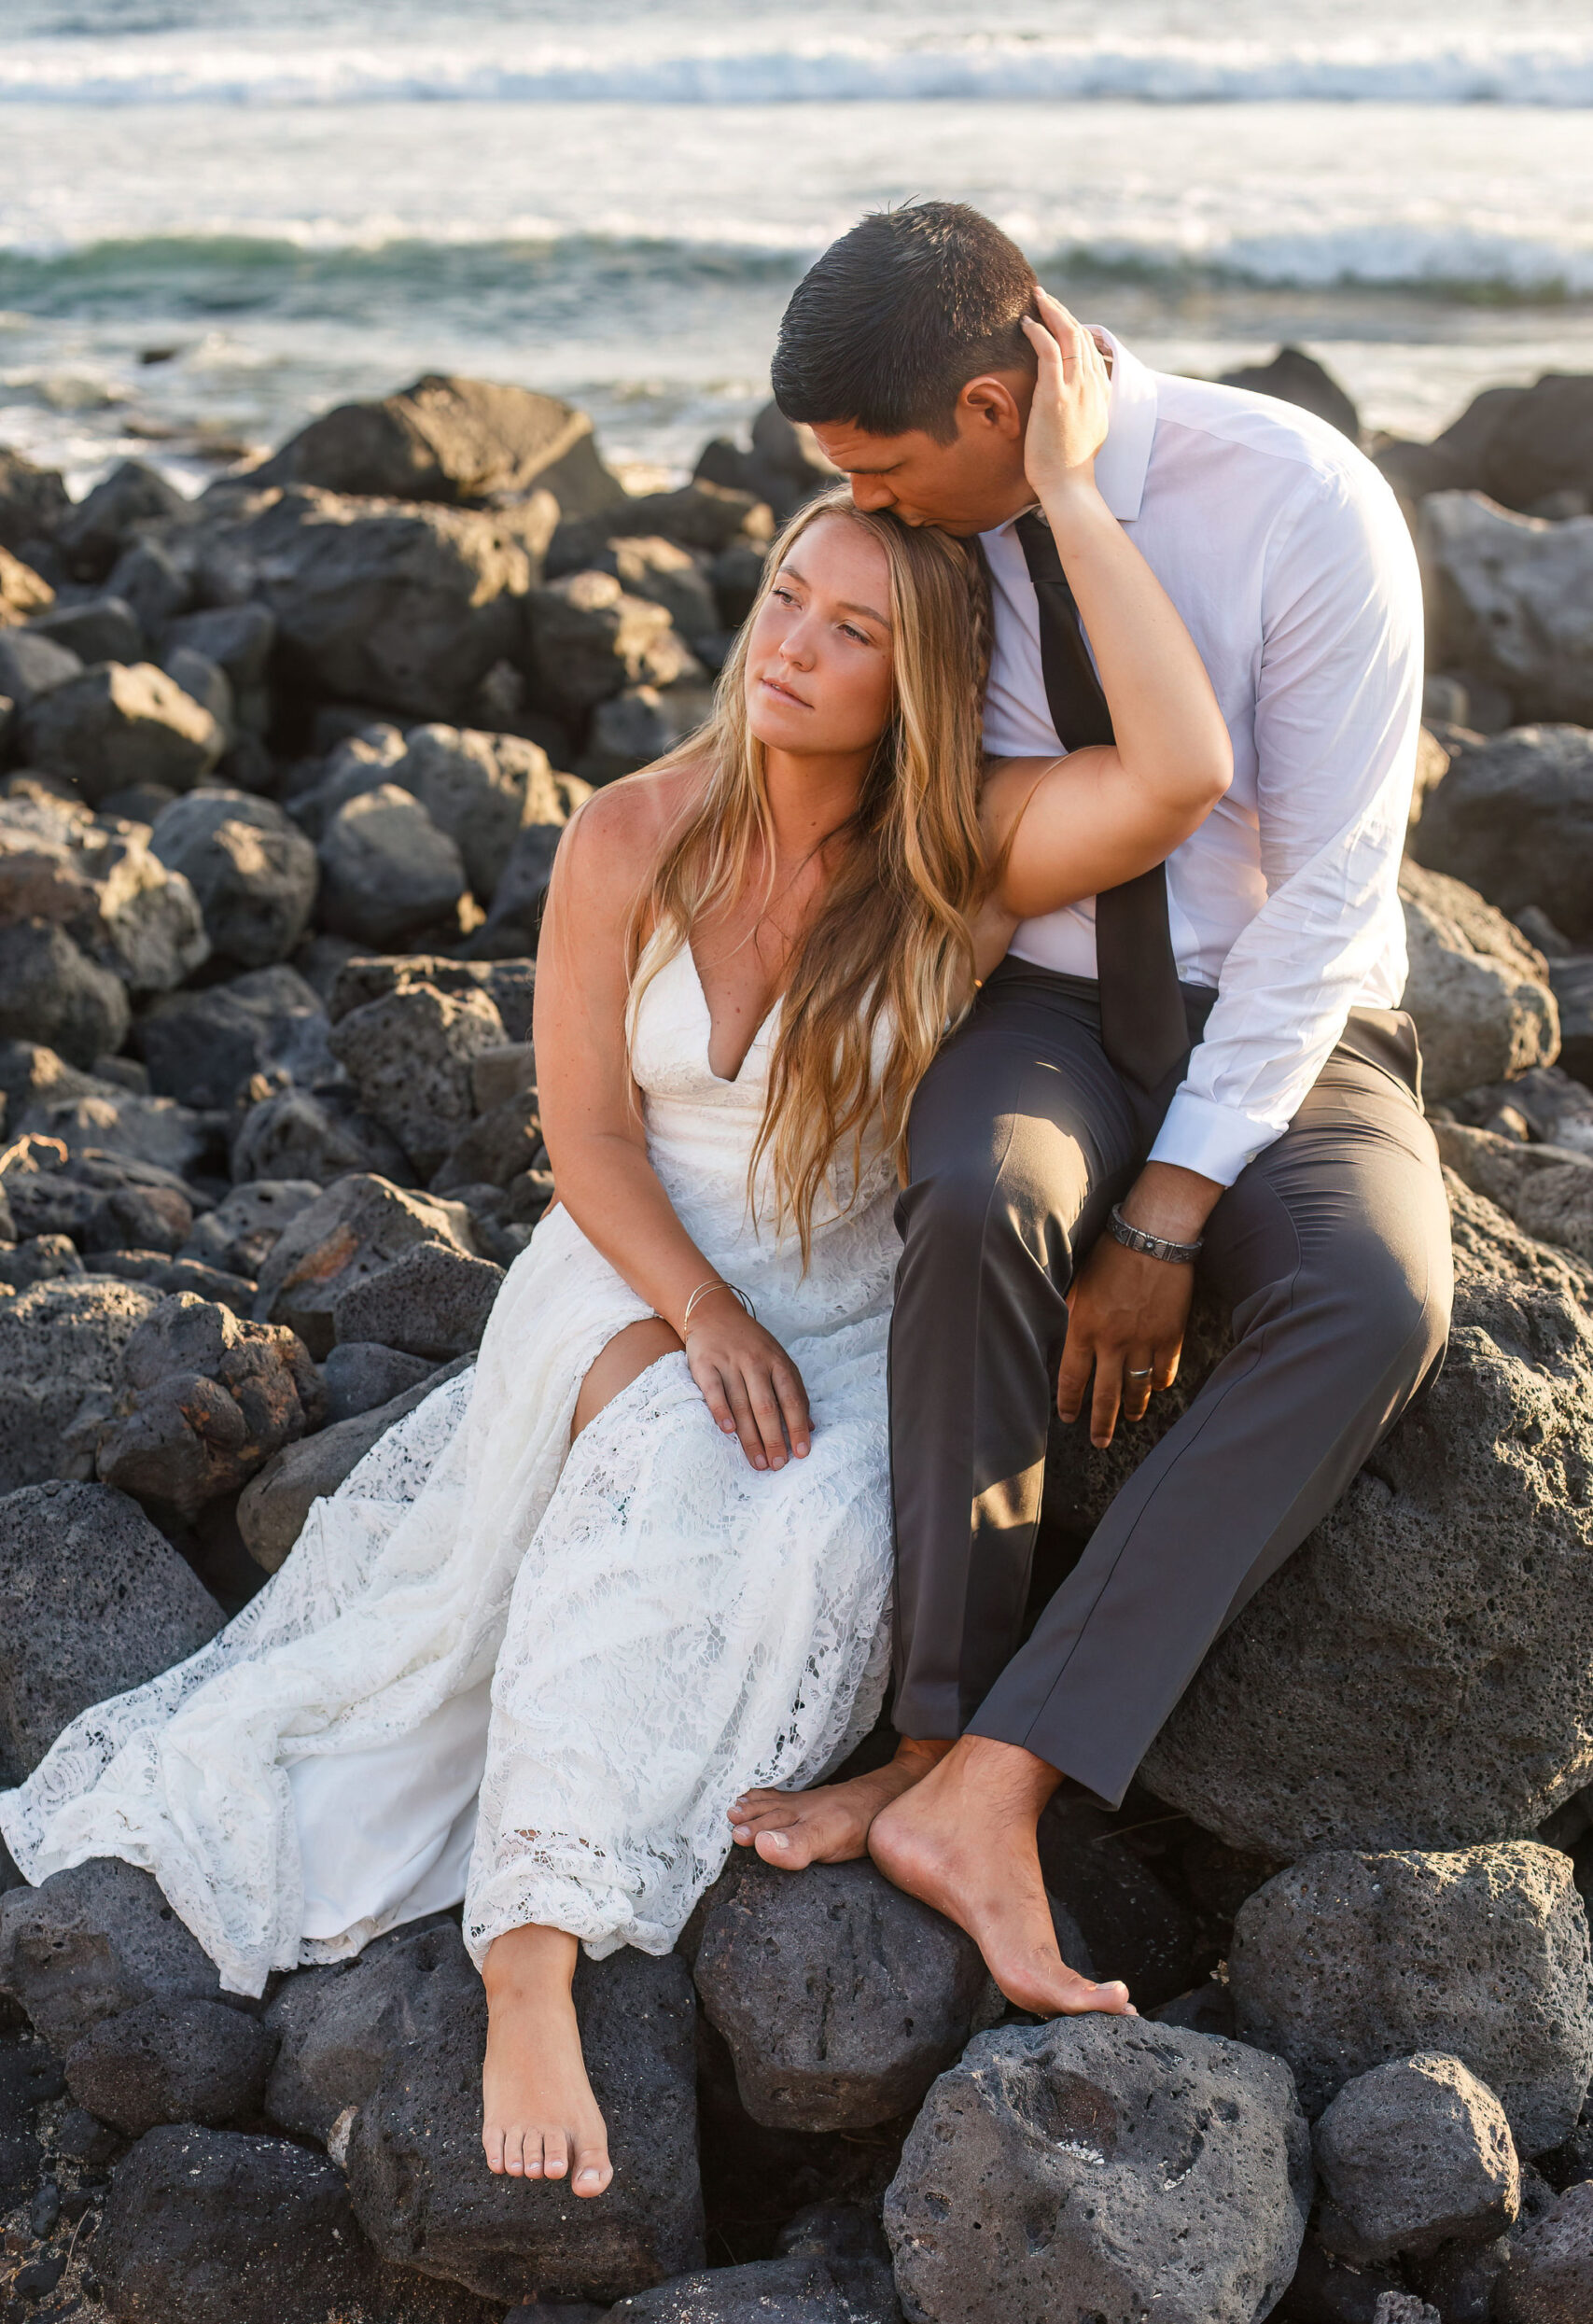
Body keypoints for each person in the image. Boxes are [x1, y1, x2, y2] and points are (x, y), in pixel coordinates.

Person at [0, 295, 1230, 2202]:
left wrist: (1061, 492)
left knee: (817, 1548)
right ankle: (531, 1953)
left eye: (854, 634)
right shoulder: (629, 830)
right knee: (658, 1457)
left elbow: (1172, 768)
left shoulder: (954, 852)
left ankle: (615, 1836)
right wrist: (694, 1303)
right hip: (637, 1257)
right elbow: (581, 1133)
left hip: (847, 1300)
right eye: (784, 609)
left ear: (921, 681)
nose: (796, 655)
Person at [728, 202, 1453, 2020]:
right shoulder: (931, 527)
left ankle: (1003, 1778)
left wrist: (1171, 1207)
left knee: (1375, 1297)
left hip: (1293, 1017)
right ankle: (929, 1730)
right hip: (1041, 997)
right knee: (973, 1191)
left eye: (889, 469)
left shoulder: (1295, 501)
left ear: (997, 402)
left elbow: (1325, 885)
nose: (871, 509)